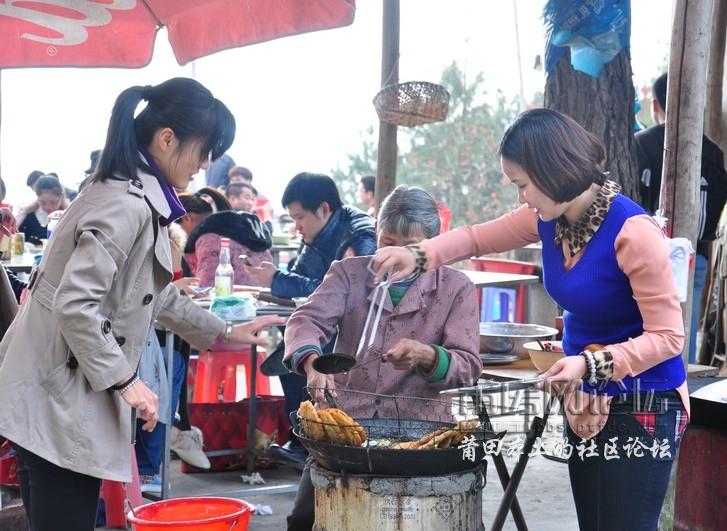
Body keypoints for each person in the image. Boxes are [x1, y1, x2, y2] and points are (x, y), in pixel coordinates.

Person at [372, 109, 689, 531]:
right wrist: (417, 255)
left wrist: (588, 364)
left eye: (522, 184)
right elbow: (475, 237)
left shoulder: (633, 232)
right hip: (588, 391)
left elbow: (668, 338)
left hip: (645, 399)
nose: (521, 197)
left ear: (553, 171)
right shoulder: (550, 221)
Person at [0, 77, 282, 531]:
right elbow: (77, 304)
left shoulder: (128, 194)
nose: (204, 165)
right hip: (59, 398)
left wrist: (224, 331)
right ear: (167, 139)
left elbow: (152, 292)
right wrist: (126, 379)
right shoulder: (125, 204)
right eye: (203, 150)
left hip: (48, 390)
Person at [282, 185, 482, 530]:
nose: (394, 255)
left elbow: (468, 366)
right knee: (306, 517)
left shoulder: (455, 288)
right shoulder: (349, 273)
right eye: (387, 242)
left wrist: (427, 356)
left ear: (432, 244)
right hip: (349, 427)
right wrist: (312, 364)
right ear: (376, 233)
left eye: (410, 247)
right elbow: (306, 320)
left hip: (423, 431)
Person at [245, 172, 376, 466]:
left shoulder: (359, 237)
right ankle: (304, 439)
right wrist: (276, 278)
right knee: (291, 357)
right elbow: (305, 276)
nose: (297, 227)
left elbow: (340, 292)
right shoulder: (317, 234)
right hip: (321, 327)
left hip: (353, 333)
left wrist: (277, 279)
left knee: (302, 361)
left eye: (300, 217)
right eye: (293, 219)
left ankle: (317, 443)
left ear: (324, 209)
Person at [635, 73, 727, 363]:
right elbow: (722, 192)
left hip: (643, 259)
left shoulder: (642, 144)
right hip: (694, 257)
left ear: (656, 104)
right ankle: (682, 399)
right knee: (682, 336)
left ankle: (647, 401)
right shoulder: (713, 152)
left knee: (643, 334)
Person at [179, 189, 272, 287]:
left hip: (235, 300)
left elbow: (208, 286)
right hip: (265, 297)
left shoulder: (208, 239)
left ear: (186, 218)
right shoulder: (239, 228)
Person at [16, 174, 69, 244]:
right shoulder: (28, 216)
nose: (48, 207)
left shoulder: (69, 216)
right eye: (42, 202)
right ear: (37, 198)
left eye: (53, 202)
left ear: (61, 197)